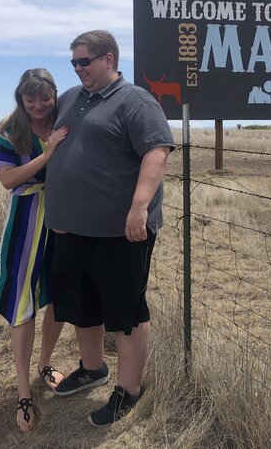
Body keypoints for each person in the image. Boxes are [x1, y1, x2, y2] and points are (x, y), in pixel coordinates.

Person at [44, 30, 174, 427]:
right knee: (83, 305)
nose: (78, 69)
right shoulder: (70, 98)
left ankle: (129, 391)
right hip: (71, 229)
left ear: (109, 59)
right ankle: (92, 368)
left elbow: (156, 151)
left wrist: (139, 206)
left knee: (126, 311)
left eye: (84, 61)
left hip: (122, 232)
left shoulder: (135, 101)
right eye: (73, 63)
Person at [0, 69, 69, 433]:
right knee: (22, 304)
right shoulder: (9, 130)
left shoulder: (65, 121)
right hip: (25, 223)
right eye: (30, 98)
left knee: (58, 295)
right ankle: (24, 392)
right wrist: (49, 153)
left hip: (63, 218)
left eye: (45, 97)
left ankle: (44, 364)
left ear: (54, 95)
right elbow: (8, 180)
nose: (38, 105)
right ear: (20, 98)